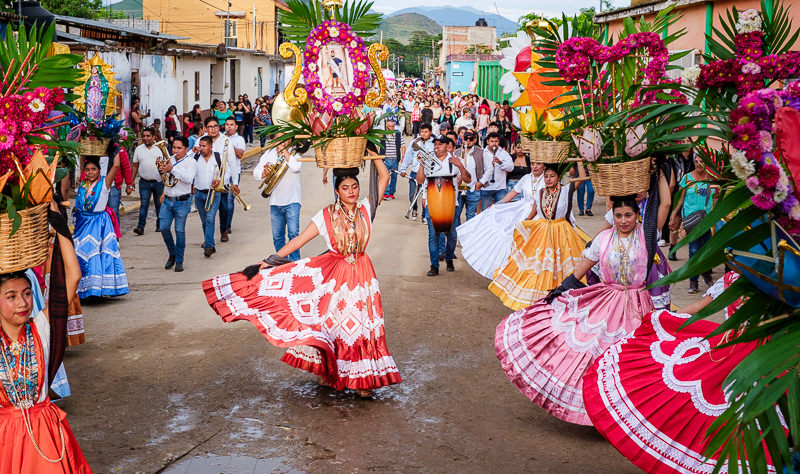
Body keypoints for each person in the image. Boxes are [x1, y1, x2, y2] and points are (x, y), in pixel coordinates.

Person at [203, 162, 402, 398]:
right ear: (337, 191)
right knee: (334, 324)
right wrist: (272, 259)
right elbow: (299, 241)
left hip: (363, 275)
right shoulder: (325, 215)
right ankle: (328, 372)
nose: (351, 191)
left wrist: (372, 153)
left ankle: (363, 381)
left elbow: (384, 177)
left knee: (361, 324)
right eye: (346, 187)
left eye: (355, 186)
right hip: (335, 277)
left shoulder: (366, 208)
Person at [582, 272, 766, 473]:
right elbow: (697, 309)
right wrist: (664, 320)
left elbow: (697, 309)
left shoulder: (736, 279)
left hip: (743, 354)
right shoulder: (745, 281)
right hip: (756, 355)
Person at [495, 195, 654, 425]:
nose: (623, 220)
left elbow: (665, 205)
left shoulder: (647, 236)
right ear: (612, 216)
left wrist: (662, 172)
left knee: (632, 363)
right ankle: (601, 411)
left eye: (628, 215)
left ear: (637, 215)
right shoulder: (603, 239)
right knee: (595, 356)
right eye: (618, 216)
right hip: (607, 303)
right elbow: (582, 268)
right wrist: (561, 289)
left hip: (638, 308)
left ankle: (628, 416)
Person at [0, 222, 92, 472]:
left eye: (27, 293)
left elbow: (73, 276)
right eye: (11, 296)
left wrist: (59, 223)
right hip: (5, 440)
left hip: (46, 434)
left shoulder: (40, 327)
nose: (23, 303)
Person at [489, 164, 588, 310]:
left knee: (561, 266)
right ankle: (539, 298)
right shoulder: (540, 192)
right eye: (546, 176)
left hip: (561, 231)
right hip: (542, 232)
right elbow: (534, 212)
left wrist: (580, 160)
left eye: (552, 176)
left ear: (558, 177)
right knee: (539, 266)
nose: (548, 179)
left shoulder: (566, 190)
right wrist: (525, 226)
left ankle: (560, 297)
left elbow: (581, 178)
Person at [457, 161, 545, 279]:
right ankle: (509, 271)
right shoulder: (526, 178)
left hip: (540, 212)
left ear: (544, 165)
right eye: (533, 164)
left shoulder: (547, 178)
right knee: (509, 236)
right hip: (522, 209)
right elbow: (513, 193)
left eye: (538, 164)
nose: (535, 166)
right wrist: (497, 204)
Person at [74, 151, 130, 298]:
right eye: (87, 170)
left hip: (99, 224)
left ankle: (97, 289)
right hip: (82, 224)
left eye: (93, 169)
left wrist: (115, 146)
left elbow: (116, 165)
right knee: (80, 254)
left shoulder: (104, 183)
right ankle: (84, 289)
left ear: (99, 170)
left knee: (95, 254)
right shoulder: (82, 185)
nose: (90, 172)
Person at [417, 136, 470, 276]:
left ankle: (449, 257)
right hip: (432, 202)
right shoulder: (429, 160)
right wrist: (422, 165)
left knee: (452, 235)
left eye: (440, 145)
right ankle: (434, 265)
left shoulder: (454, 161)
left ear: (448, 146)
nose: (436, 147)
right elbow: (420, 180)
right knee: (433, 235)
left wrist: (461, 166)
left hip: (451, 203)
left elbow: (468, 179)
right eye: (435, 145)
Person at [669, 153, 716, 293]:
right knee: (694, 250)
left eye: (702, 161)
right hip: (691, 220)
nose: (698, 164)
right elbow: (680, 199)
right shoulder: (687, 178)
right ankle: (693, 281)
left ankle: (706, 274)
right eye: (696, 161)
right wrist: (673, 215)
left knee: (707, 249)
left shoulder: (711, 179)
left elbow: (716, 197)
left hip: (706, 220)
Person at [253, 141, 302, 261]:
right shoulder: (268, 154)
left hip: (292, 201)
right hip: (275, 201)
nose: (282, 141)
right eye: (278, 138)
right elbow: (256, 173)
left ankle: (295, 263)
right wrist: (264, 173)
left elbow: (296, 168)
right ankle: (281, 262)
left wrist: (284, 151)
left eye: (284, 138)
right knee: (278, 237)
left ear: (290, 139)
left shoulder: (295, 154)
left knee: (293, 234)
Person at [157, 136, 196, 273]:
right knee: (163, 228)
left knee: (179, 231)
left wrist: (171, 169)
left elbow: (188, 178)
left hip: (183, 201)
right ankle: (172, 253)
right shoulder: (169, 160)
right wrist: (160, 169)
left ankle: (179, 260)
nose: (176, 150)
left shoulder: (190, 162)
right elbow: (161, 179)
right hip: (168, 200)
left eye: (179, 148)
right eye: (174, 147)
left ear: (186, 149)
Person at [130, 127, 164, 235]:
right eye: (143, 136)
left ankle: (160, 224)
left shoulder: (159, 149)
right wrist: (131, 181)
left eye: (148, 136)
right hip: (144, 182)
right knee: (144, 204)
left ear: (153, 137)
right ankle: (140, 227)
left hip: (158, 182)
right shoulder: (139, 149)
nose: (145, 138)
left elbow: (165, 164)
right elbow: (135, 166)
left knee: (159, 204)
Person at [193, 135, 223, 258]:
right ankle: (210, 241)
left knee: (210, 219)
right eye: (200, 146)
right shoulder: (195, 157)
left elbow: (224, 173)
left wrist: (219, 181)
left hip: (213, 193)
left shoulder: (217, 157)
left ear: (211, 147)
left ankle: (208, 246)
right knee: (205, 220)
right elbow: (185, 162)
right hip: (199, 193)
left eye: (204, 146)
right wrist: (192, 151)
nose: (201, 148)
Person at [215, 117, 243, 242]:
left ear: (236, 127)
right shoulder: (220, 138)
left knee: (230, 200)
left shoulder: (239, 139)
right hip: (222, 173)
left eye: (232, 124)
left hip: (234, 172)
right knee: (221, 201)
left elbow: (240, 154)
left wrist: (229, 144)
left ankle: (227, 224)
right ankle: (224, 224)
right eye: (227, 124)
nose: (229, 127)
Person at [399, 123, 433, 221]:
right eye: (422, 132)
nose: (424, 134)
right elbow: (408, 155)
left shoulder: (434, 143)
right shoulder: (414, 142)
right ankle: (414, 209)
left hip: (427, 173)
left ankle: (424, 216)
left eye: (426, 132)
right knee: (412, 195)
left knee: (425, 196)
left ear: (430, 132)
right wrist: (403, 169)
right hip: (414, 172)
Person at [476, 132, 514, 210]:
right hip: (486, 188)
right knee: (486, 212)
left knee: (500, 211)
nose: (494, 144)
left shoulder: (504, 153)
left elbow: (511, 168)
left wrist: (500, 163)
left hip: (500, 187)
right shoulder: (482, 153)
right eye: (492, 141)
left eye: (496, 141)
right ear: (487, 142)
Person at [381, 117, 404, 200]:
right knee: (386, 176)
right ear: (386, 126)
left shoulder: (398, 134)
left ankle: (391, 192)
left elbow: (402, 145)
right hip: (385, 158)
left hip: (395, 158)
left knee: (394, 177)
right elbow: (377, 145)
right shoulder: (382, 134)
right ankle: (386, 192)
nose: (391, 128)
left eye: (393, 126)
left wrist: (403, 156)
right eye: (389, 126)